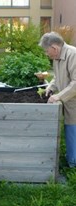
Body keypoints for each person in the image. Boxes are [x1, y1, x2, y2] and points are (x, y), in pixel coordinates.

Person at [39, 31, 76, 168]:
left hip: (74, 100)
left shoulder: (73, 55)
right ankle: (71, 158)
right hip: (68, 98)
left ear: (54, 48)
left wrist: (59, 96)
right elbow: (57, 76)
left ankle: (73, 164)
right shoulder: (57, 57)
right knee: (68, 128)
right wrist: (51, 87)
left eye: (46, 51)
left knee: (73, 130)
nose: (46, 54)